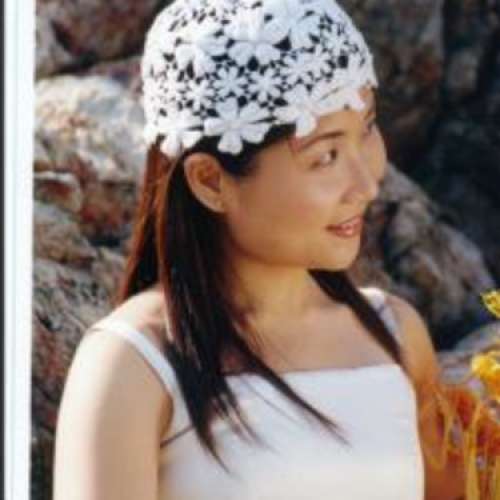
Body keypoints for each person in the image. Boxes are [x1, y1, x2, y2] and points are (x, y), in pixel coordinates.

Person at [52, 0, 465, 499]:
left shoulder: (396, 336)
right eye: (326, 156)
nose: (366, 184)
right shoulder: (132, 364)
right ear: (210, 181)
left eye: (369, 129)